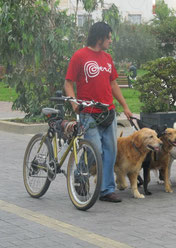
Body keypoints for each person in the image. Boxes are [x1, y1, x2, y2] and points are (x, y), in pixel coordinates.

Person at [64, 22, 133, 203]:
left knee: (111, 151)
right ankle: (80, 175)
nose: (110, 40)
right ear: (100, 37)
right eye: (109, 37)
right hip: (88, 113)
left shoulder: (107, 58)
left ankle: (106, 190)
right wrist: (74, 104)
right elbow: (68, 83)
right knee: (95, 150)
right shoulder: (79, 56)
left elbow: (113, 84)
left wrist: (125, 106)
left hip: (108, 112)